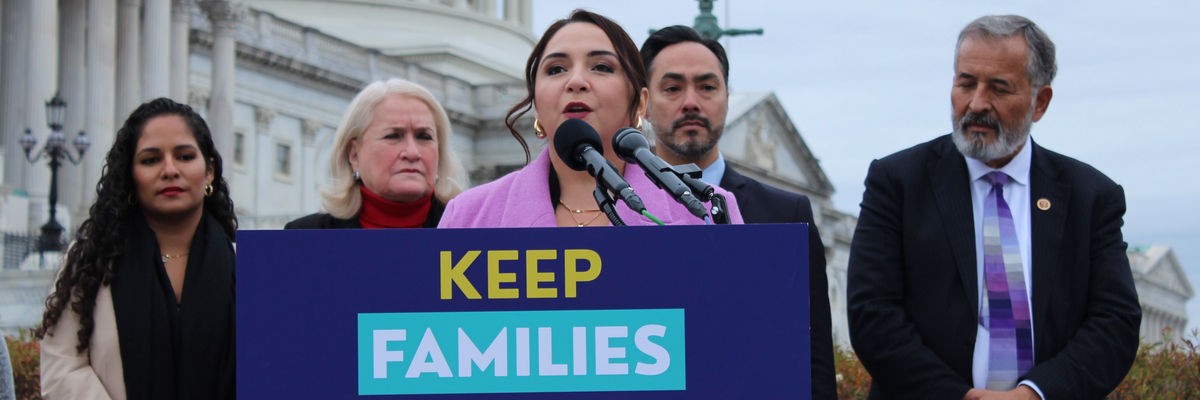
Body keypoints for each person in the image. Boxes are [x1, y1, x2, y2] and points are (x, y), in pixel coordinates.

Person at [847, 15, 1140, 400]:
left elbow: (1114, 323)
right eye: (965, 83)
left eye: (999, 88)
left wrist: (1036, 394)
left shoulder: (1091, 196)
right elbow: (872, 314)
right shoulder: (898, 182)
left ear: (1041, 102)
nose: (976, 103)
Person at [639, 25, 836, 399]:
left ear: (727, 98)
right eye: (673, 88)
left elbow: (815, 361)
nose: (691, 102)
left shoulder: (786, 213)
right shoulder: (613, 210)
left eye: (707, 87)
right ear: (644, 103)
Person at [439, 10, 742, 228]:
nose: (576, 81)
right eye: (556, 69)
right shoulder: (467, 217)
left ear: (640, 103)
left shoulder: (707, 209)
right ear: (537, 107)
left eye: (601, 67)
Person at [38, 98, 238, 399]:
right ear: (130, 177)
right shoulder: (91, 261)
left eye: (184, 156)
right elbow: (63, 369)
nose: (170, 170)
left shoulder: (249, 267)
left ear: (209, 171)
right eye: (150, 160)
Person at [285, 78, 466, 229]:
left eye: (424, 137)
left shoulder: (472, 231)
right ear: (354, 155)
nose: (412, 152)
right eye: (393, 136)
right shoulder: (304, 238)